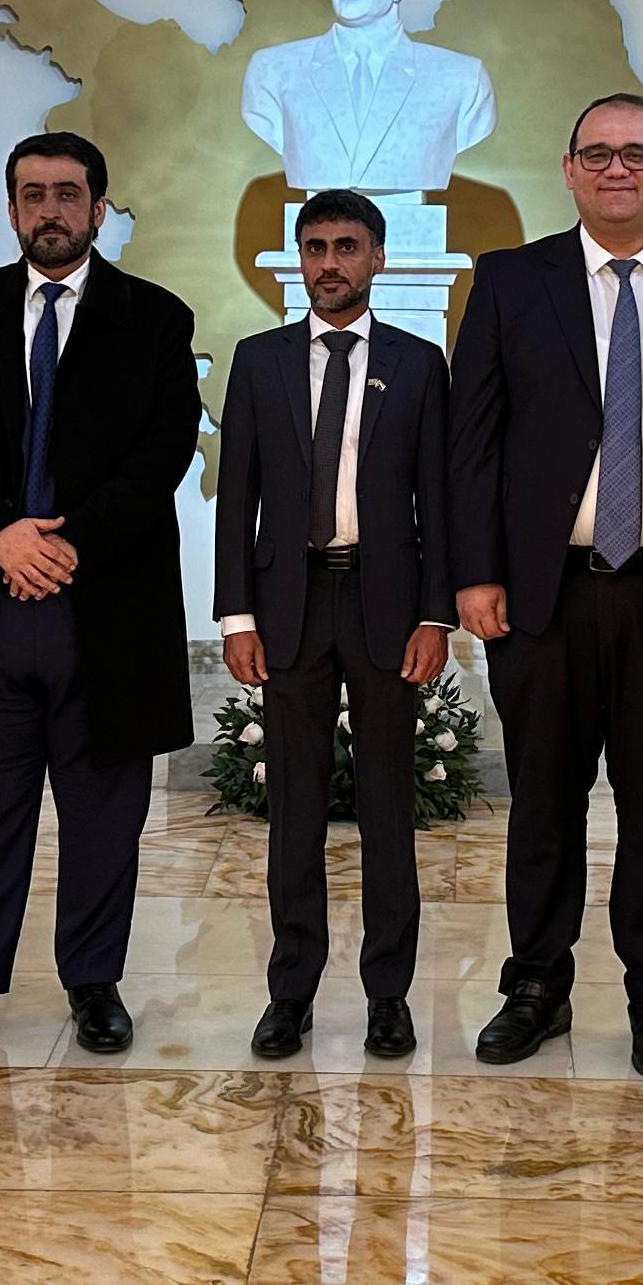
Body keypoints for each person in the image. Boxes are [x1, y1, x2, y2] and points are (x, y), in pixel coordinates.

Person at [450, 94, 643, 1077]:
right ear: (569, 169)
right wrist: (476, 571)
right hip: (542, 595)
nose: (616, 169)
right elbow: (473, 442)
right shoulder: (511, 280)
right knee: (544, 802)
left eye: (637, 153)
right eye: (597, 153)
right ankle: (536, 988)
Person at [0, 133, 203, 1060]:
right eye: (32, 195)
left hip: (103, 610)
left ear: (99, 209)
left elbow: (164, 449)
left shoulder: (155, 319)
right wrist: (0, 531)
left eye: (68, 194)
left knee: (104, 816)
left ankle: (93, 982)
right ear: (12, 210)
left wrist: (67, 545)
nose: (50, 210)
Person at [216, 191, 456, 1063]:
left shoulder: (419, 364)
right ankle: (291, 993)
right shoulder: (260, 361)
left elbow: (439, 499)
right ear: (300, 259)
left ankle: (388, 996)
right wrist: (236, 615)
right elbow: (237, 496)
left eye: (346, 247)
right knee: (295, 810)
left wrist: (435, 613)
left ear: (377, 258)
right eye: (314, 247)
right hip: (290, 605)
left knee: (389, 807)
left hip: (386, 606)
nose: (329, 263)